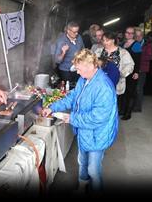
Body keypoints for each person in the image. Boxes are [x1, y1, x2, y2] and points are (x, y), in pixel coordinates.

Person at [42, 49, 118, 193]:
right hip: (84, 130)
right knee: (82, 162)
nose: (76, 72)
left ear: (90, 66)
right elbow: (72, 98)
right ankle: (82, 187)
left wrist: (72, 118)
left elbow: (98, 117)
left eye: (78, 68)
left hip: (98, 134)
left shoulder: (103, 87)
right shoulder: (84, 79)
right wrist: (52, 107)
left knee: (93, 169)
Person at [118, 27, 142, 120]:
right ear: (125, 33)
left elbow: (138, 60)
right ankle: (122, 110)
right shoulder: (123, 44)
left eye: (131, 33)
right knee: (123, 92)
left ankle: (128, 113)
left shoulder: (136, 45)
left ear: (134, 35)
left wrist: (136, 72)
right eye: (127, 33)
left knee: (130, 93)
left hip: (132, 72)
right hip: (124, 72)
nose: (129, 34)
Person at [54, 21, 84, 86]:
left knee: (78, 86)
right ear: (68, 31)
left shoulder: (79, 38)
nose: (76, 34)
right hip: (66, 70)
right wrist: (63, 52)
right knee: (68, 88)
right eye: (74, 32)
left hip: (77, 68)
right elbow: (57, 60)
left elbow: (83, 50)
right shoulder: (61, 41)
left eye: (77, 31)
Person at [134, 31, 152, 112]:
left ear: (143, 36)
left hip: (142, 70)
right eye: (136, 36)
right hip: (134, 69)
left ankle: (138, 107)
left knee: (139, 88)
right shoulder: (135, 44)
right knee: (135, 88)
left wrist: (139, 55)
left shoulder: (147, 45)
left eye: (140, 36)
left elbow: (149, 57)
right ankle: (134, 104)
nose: (138, 37)